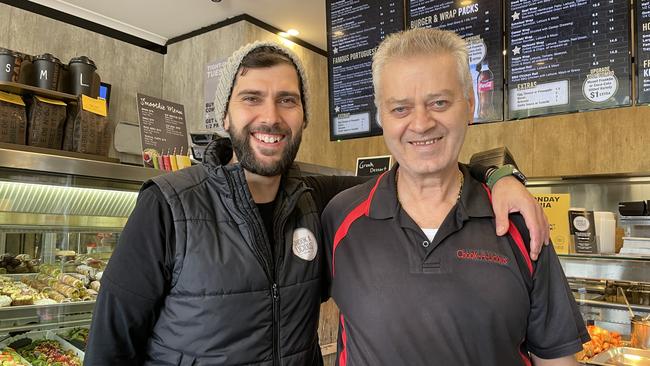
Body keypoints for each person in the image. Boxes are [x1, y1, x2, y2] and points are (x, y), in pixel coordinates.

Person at [85, 41, 548, 365]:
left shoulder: (318, 198)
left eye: (287, 100)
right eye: (252, 99)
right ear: (225, 114)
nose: (270, 116)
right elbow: (110, 346)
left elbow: (420, 166)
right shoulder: (169, 206)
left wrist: (499, 174)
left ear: (304, 115)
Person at [321, 28, 589, 366]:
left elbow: (557, 360)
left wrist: (499, 175)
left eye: (439, 103)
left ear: (470, 104)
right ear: (381, 117)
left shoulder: (519, 222)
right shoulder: (341, 218)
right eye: (401, 108)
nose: (421, 123)